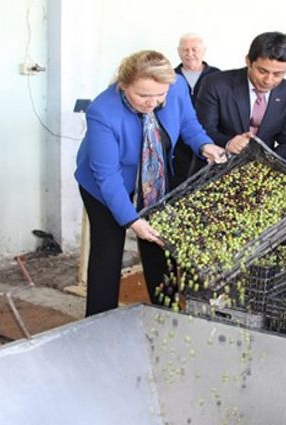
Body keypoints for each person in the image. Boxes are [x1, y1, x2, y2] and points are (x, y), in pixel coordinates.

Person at [74, 50, 225, 316]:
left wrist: (204, 145)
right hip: (107, 183)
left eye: (159, 95)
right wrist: (132, 221)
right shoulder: (102, 112)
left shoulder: (176, 88)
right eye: (143, 95)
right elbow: (106, 175)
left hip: (153, 176)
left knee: (158, 242)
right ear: (124, 85)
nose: (152, 103)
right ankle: (99, 319)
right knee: (108, 250)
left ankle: (165, 310)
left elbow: (188, 123)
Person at [196, 31, 286, 161]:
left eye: (278, 74)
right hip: (216, 163)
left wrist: (265, 163)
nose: (268, 80)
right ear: (248, 61)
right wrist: (228, 143)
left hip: (265, 169)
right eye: (262, 71)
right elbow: (202, 129)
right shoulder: (216, 84)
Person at [171, 33, 220, 187]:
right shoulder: (169, 77)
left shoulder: (218, 76)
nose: (190, 54)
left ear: (203, 51)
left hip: (210, 140)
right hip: (177, 145)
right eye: (185, 50)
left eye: (194, 49)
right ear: (179, 52)